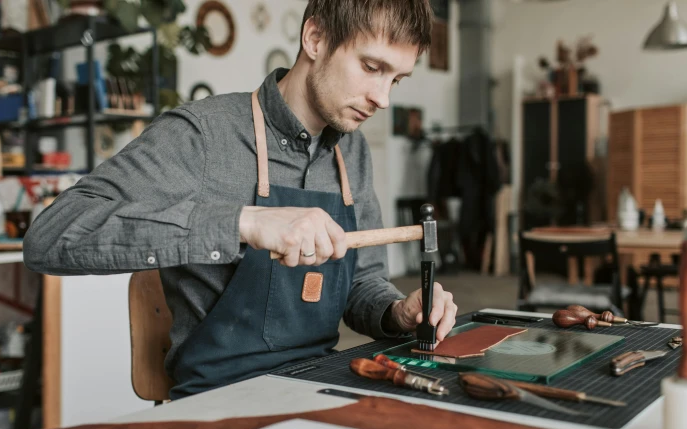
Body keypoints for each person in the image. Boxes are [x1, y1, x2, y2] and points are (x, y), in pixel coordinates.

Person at [24, 0, 458, 400]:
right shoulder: (202, 135)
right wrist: (241, 223)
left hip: (320, 386)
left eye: (396, 80)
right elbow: (48, 238)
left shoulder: (351, 150)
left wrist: (396, 312)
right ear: (315, 38)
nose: (382, 98)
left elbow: (361, 283)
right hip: (220, 400)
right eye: (371, 67)